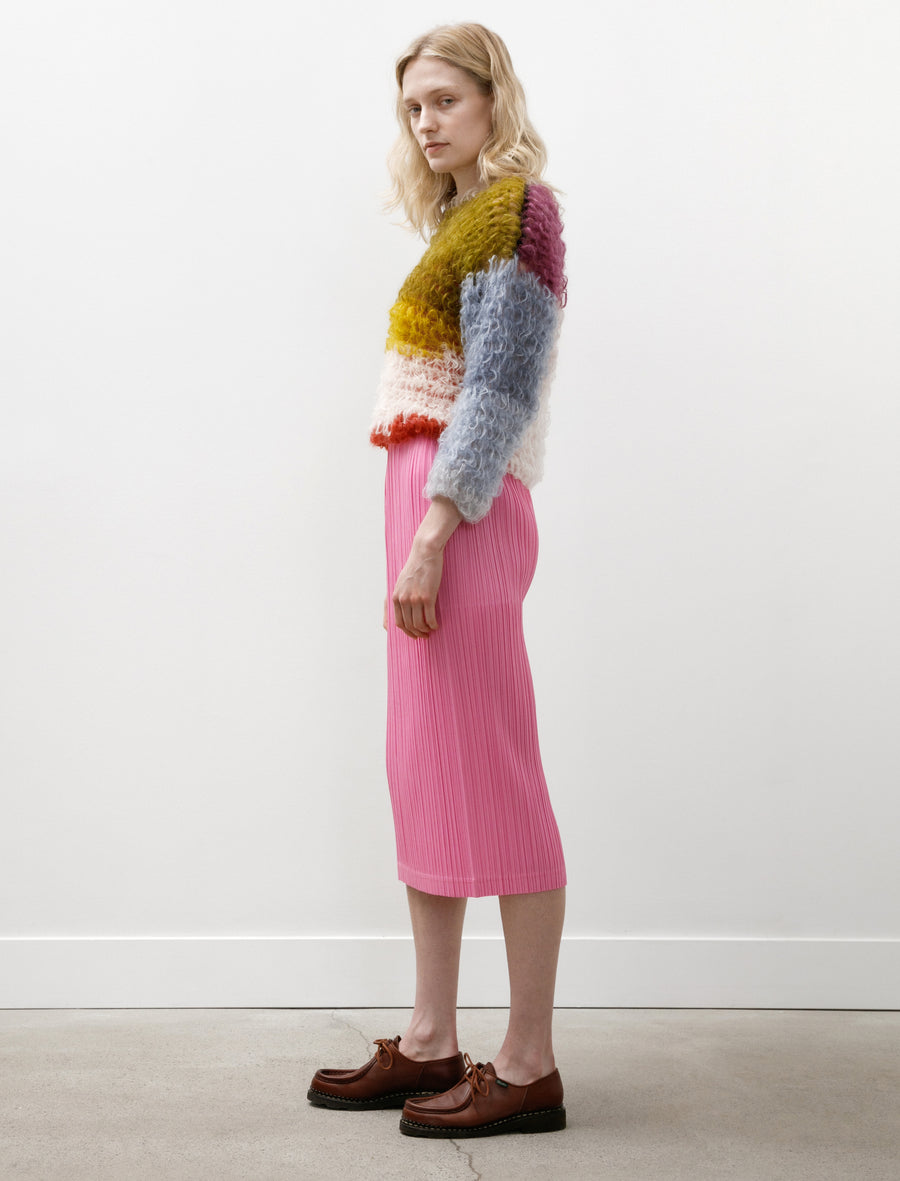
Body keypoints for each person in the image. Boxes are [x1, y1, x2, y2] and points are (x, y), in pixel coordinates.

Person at [308, 22, 568, 1139]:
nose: (426, 121)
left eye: (446, 100)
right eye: (413, 106)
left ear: (494, 99)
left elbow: (500, 390)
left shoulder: (516, 211)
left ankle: (529, 1060)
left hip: (458, 513)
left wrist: (434, 531)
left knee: (495, 767)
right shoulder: (460, 220)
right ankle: (429, 1036)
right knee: (422, 766)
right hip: (425, 507)